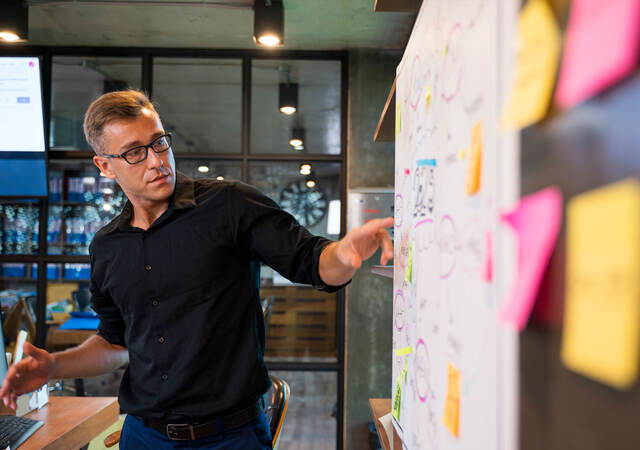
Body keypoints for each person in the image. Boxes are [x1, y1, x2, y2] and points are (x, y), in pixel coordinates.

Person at [0, 90, 393, 449]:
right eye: (135, 152)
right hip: (142, 435)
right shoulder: (106, 247)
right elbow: (115, 344)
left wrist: (345, 252)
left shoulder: (229, 205)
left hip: (231, 437)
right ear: (105, 166)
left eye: (159, 142)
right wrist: (54, 365)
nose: (157, 160)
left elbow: (313, 261)